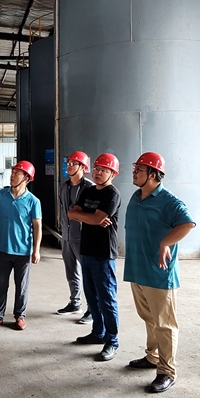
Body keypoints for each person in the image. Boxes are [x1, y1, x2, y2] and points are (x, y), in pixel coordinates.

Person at [123, 152, 195, 394]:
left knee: (165, 324)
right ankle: (152, 356)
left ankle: (167, 371)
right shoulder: (137, 196)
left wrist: (165, 242)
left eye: (139, 169)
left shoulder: (169, 201)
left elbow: (187, 224)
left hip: (158, 273)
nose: (134, 173)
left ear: (153, 174)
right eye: (135, 168)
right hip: (137, 269)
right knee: (149, 318)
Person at [68, 153, 122, 362]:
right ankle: (98, 333)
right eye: (97, 169)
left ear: (113, 174)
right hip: (87, 251)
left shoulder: (112, 194)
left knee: (107, 299)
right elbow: (72, 213)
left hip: (104, 254)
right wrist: (90, 218)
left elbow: (97, 217)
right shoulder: (89, 190)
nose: (98, 173)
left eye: (104, 170)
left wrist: (91, 217)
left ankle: (112, 341)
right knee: (92, 296)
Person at [0, 161, 42, 331]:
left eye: (17, 173)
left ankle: (20, 316)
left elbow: (37, 226)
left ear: (26, 178)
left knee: (22, 286)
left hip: (23, 251)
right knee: (0, 285)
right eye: (13, 172)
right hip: (3, 249)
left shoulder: (33, 201)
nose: (12, 175)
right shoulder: (1, 195)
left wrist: (36, 250)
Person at [57, 150, 94, 324]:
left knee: (88, 273)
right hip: (66, 235)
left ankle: (92, 309)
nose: (69, 166)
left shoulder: (90, 188)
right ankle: (75, 303)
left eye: (73, 164)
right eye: (68, 163)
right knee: (71, 271)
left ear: (82, 167)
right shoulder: (64, 186)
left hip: (83, 237)